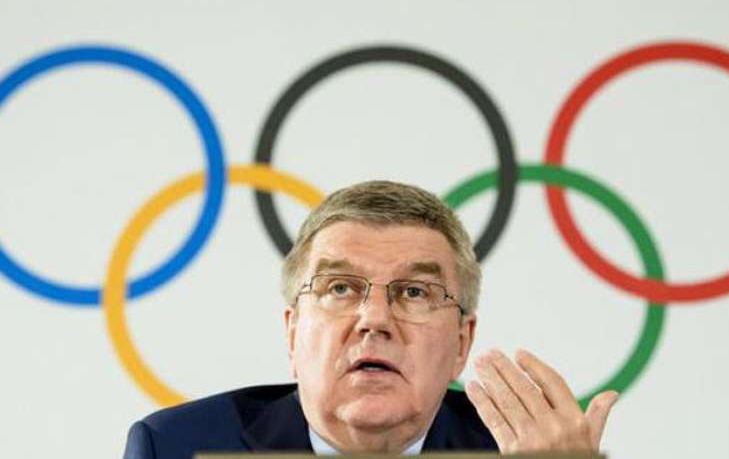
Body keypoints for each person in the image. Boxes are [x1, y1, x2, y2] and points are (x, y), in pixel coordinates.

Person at [123, 180, 618, 458]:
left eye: (415, 293)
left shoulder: (521, 451)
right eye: (340, 288)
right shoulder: (177, 448)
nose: (374, 319)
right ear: (293, 333)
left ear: (461, 343)